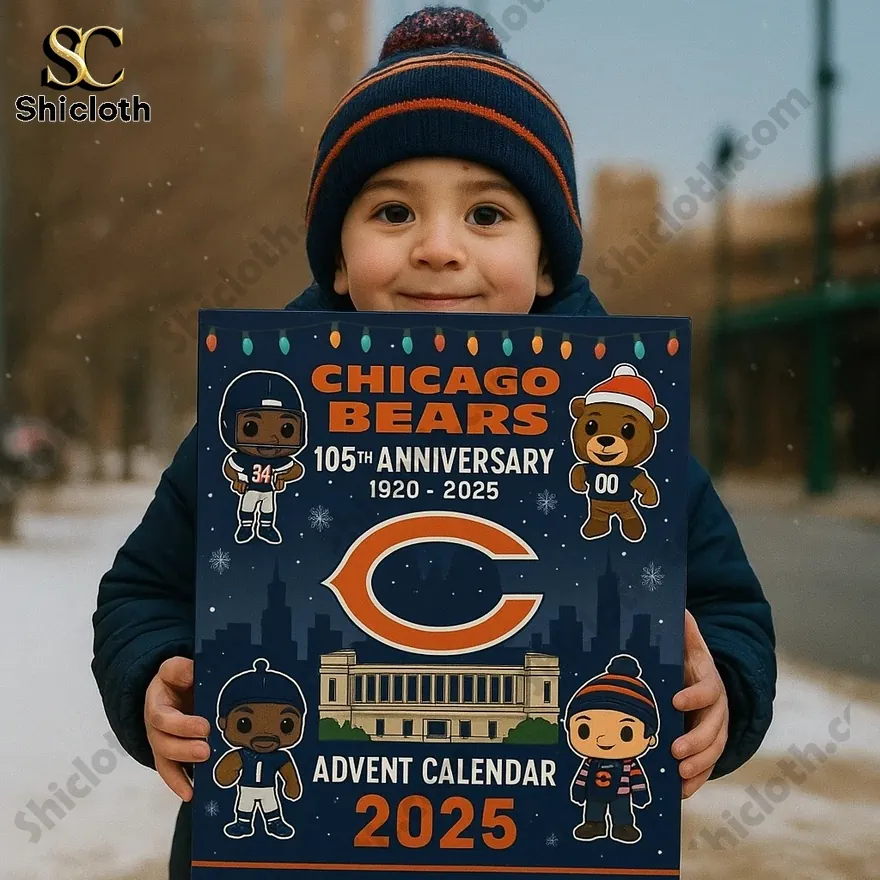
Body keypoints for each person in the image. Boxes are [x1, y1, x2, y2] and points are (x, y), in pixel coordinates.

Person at [91, 7, 776, 878]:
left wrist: (725, 695)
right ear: (336, 260)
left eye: (488, 213)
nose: (440, 249)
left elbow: (728, 611)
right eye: (391, 211)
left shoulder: (632, 430)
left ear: (549, 262)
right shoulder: (253, 413)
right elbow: (143, 590)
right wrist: (151, 674)